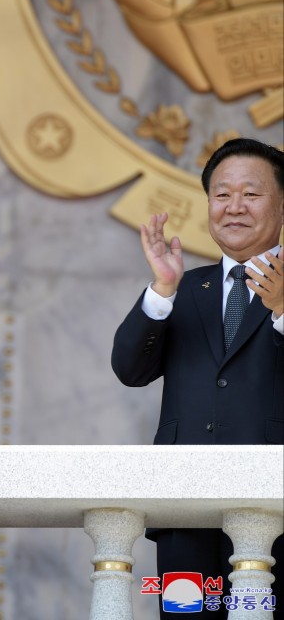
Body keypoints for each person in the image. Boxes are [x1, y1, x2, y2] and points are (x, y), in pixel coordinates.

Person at [111, 138, 283, 618]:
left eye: (251, 194)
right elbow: (130, 369)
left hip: (276, 505)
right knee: (187, 616)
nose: (234, 207)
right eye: (222, 195)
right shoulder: (184, 286)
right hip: (184, 507)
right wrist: (161, 290)